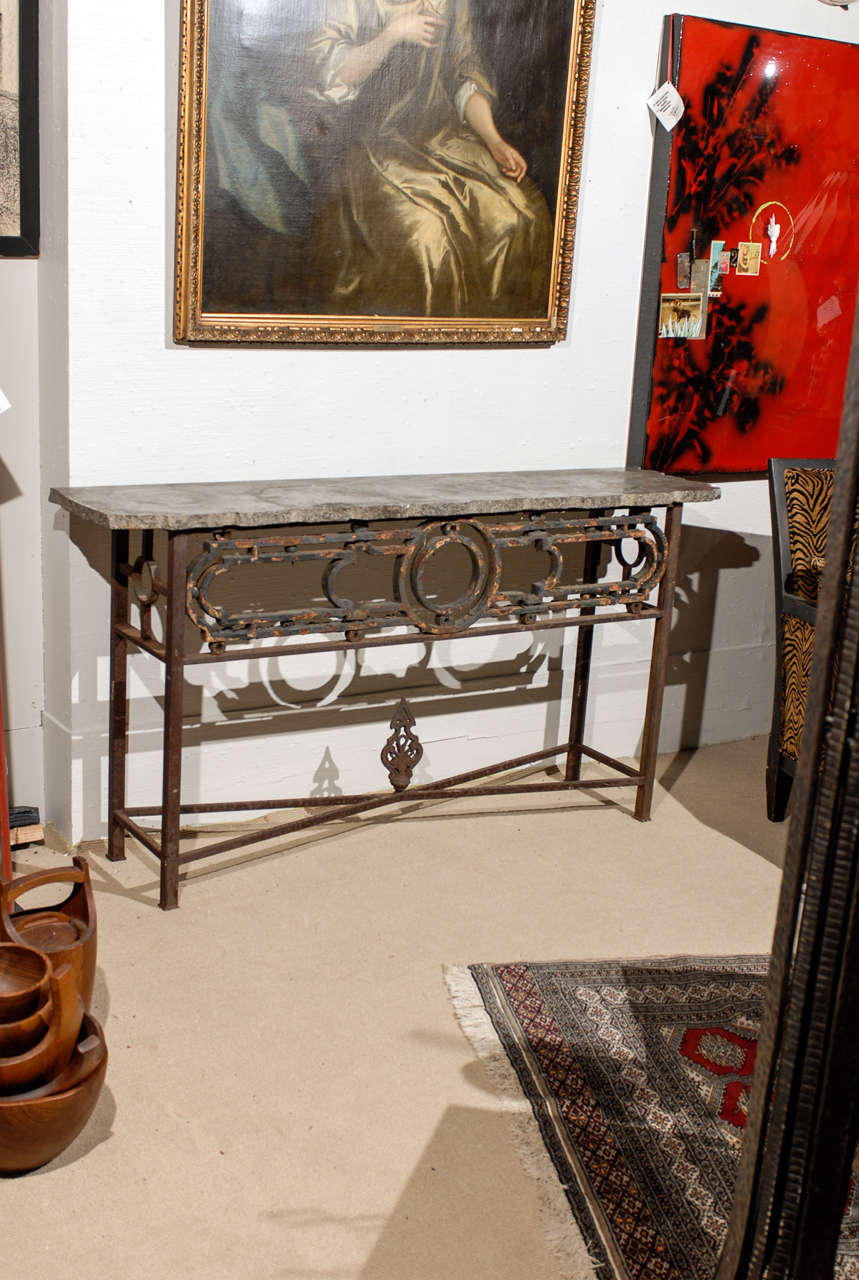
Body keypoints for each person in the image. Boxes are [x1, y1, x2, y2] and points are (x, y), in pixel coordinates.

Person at [306, 0, 553, 318]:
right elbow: (334, 73)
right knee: (430, 239)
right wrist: (393, 33)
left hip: (442, 140)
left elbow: (464, 74)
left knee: (522, 217)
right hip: (371, 147)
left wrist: (494, 141)